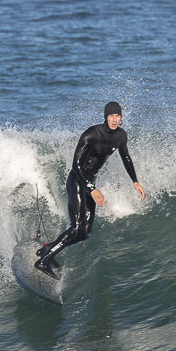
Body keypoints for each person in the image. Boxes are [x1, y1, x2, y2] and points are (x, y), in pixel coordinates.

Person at [35, 101, 145, 279]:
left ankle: (47, 249)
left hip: (90, 183)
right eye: (111, 116)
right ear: (106, 116)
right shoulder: (92, 134)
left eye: (118, 116)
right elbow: (76, 165)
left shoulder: (120, 136)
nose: (115, 119)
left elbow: (126, 158)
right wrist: (91, 188)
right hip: (78, 180)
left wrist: (135, 181)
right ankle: (43, 261)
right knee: (76, 227)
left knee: (84, 233)